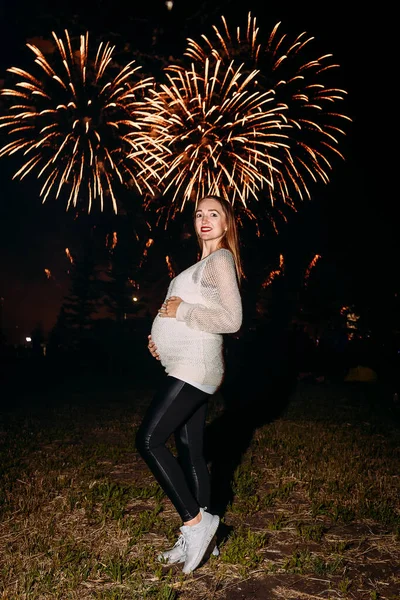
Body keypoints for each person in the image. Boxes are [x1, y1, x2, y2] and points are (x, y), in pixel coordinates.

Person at [136, 195, 242, 574]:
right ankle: (204, 543)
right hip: (183, 363)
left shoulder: (220, 260)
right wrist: (160, 338)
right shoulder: (201, 265)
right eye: (199, 214)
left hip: (195, 367)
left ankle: (196, 524)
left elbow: (231, 319)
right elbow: (182, 311)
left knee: (148, 440)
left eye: (214, 213)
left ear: (227, 224)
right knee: (190, 450)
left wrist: (181, 312)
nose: (205, 219)